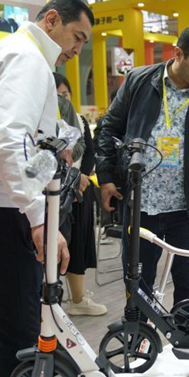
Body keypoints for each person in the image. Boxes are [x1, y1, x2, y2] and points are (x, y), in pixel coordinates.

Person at [0, 0, 93, 377]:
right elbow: (7, 140)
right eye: (77, 36)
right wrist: (37, 216)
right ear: (51, 20)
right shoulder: (29, 59)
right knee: (17, 328)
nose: (77, 49)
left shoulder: (0, 54)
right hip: (4, 209)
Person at [96, 25, 189, 306]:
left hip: (185, 209)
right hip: (140, 205)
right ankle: (139, 343)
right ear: (178, 54)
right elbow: (108, 128)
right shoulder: (139, 81)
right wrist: (106, 176)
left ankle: (183, 343)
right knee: (138, 286)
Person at [54, 73, 106, 316]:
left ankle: (77, 299)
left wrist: (81, 179)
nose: (63, 99)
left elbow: (89, 152)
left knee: (79, 245)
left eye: (65, 94)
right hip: (57, 192)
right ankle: (52, 300)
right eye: (57, 95)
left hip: (81, 190)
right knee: (56, 247)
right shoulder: (47, 125)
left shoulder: (80, 120)